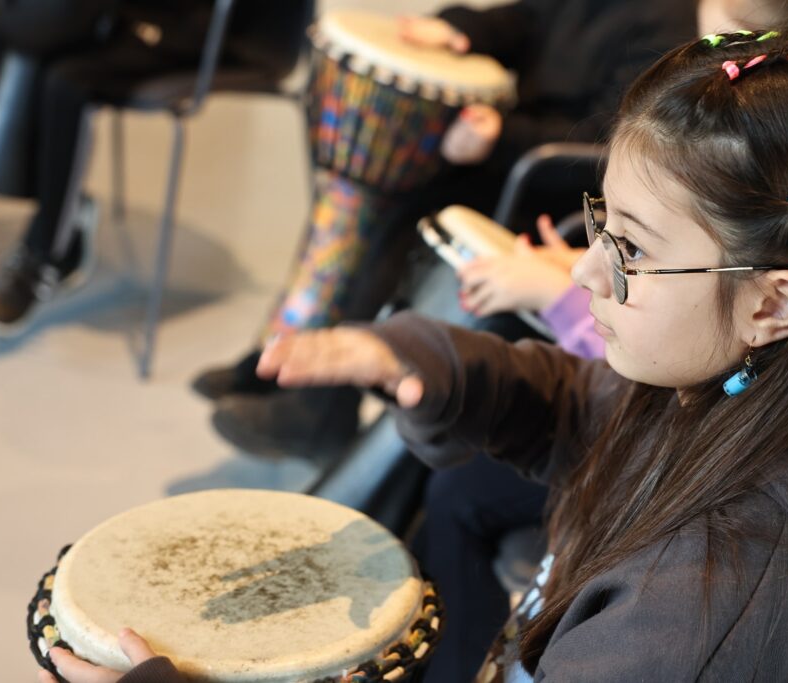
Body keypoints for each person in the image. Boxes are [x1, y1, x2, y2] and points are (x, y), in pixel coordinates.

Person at [44, 27, 788, 682]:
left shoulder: (712, 613)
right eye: (600, 222)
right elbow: (586, 404)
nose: (584, 269)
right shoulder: (719, 396)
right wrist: (439, 365)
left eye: (633, 250)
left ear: (770, 304)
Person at [197, 0, 697, 460]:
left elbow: (616, 144)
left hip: (552, 189)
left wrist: (502, 137)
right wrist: (458, 28)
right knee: (363, 203)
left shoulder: (664, 23)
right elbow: (521, 20)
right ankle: (276, 365)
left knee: (392, 219)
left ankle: (316, 412)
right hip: (515, 158)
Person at [0, 1, 304, 337]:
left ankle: (46, 253)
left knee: (67, 80)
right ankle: (64, 207)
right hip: (138, 14)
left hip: (226, 32)